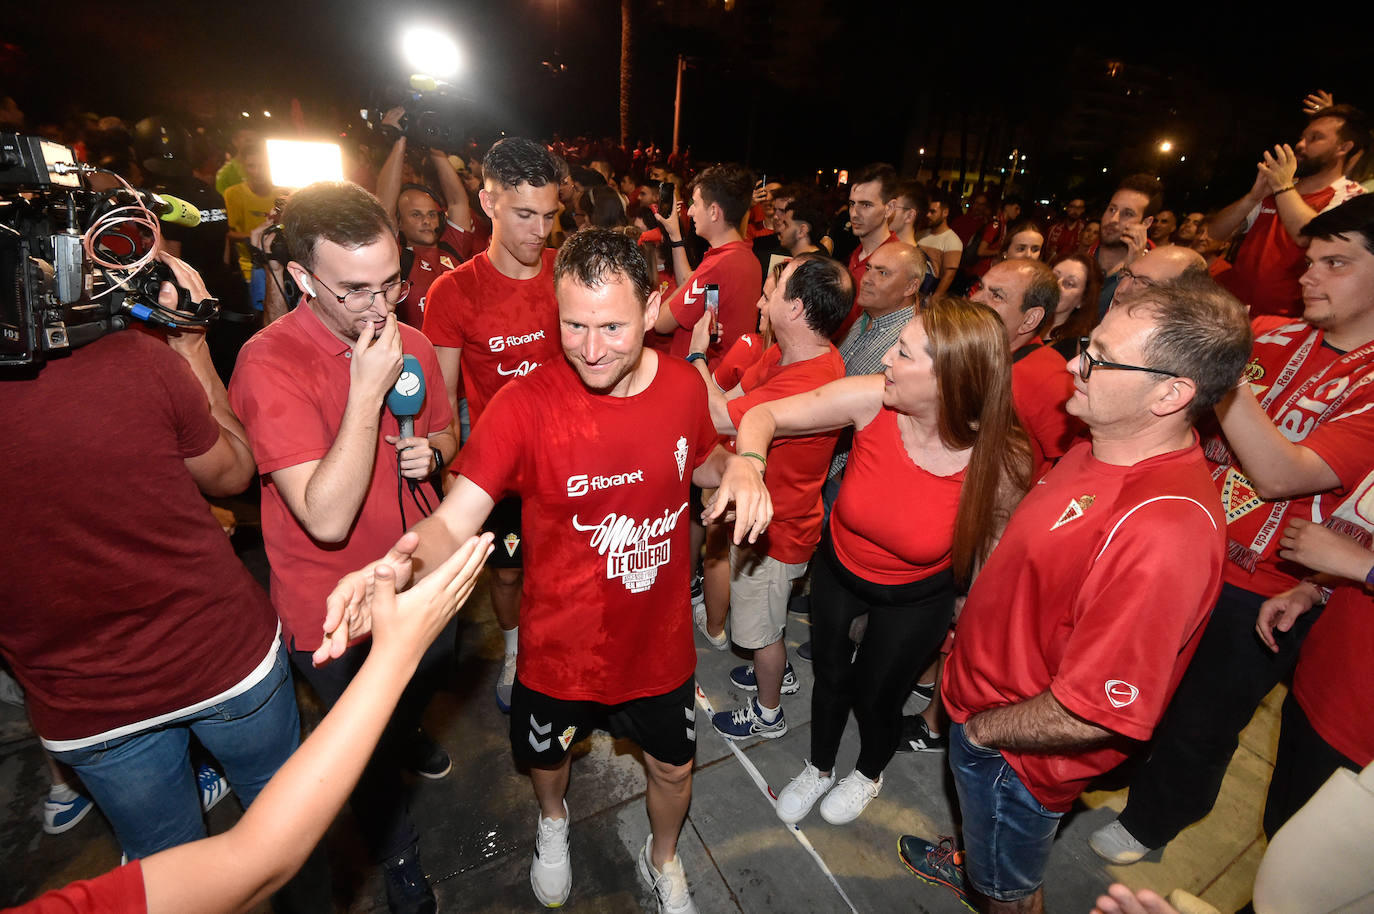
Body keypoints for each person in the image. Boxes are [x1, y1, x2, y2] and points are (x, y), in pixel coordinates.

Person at [324, 229, 772, 914]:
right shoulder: (524, 407)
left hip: (656, 645)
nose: (592, 350)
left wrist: (738, 463)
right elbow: (452, 520)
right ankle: (554, 825)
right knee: (548, 760)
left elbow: (701, 458)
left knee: (673, 765)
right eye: (574, 326)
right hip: (560, 647)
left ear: (653, 308)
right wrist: (394, 566)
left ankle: (664, 859)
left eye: (614, 327)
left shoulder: (682, 385)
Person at [901, 273, 1253, 914]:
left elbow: (1095, 710)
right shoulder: (1098, 442)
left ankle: (991, 879)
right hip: (986, 709)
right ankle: (975, 858)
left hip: (1017, 755)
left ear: (1171, 394)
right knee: (992, 850)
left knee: (1009, 890)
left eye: (1098, 357)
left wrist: (981, 733)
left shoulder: (1163, 532)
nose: (1073, 364)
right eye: (1086, 344)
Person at [0, 253, 317, 903]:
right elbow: (232, 472)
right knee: (288, 834)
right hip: (221, 659)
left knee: (164, 877)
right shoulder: (132, 360)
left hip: (86, 703)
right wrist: (192, 346)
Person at [1090, 196, 1374, 868]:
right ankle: (1123, 766)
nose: (1310, 276)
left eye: (1336, 263)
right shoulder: (1270, 332)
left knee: (1204, 715)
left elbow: (1280, 473)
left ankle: (1157, 816)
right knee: (1136, 677)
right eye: (1310, 260)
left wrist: (1216, 370)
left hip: (1264, 585)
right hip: (1176, 544)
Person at [6, 533, 493, 914]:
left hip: (85, 697)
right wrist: (395, 656)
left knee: (167, 846)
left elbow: (250, 862)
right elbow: (255, 864)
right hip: (201, 671)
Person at [228, 181, 457, 914]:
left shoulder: (413, 340)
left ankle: (406, 725)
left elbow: (448, 428)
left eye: (393, 281)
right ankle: (400, 859)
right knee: (364, 754)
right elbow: (324, 518)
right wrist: (366, 390)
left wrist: (438, 452)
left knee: (423, 685)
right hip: (335, 610)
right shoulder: (269, 364)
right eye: (355, 290)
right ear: (301, 277)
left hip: (422, 576)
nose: (381, 307)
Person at [733, 297, 1031, 827]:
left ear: (951, 381)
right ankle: (818, 765)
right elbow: (764, 413)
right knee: (829, 677)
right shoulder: (873, 400)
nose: (886, 361)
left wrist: (970, 620)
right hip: (841, 572)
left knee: (878, 696)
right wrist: (750, 467)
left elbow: (995, 552)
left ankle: (870, 772)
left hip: (918, 596)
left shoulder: (999, 456)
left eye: (904, 353)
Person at [422, 137, 566, 712]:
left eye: (550, 216)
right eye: (524, 214)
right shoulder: (453, 292)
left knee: (566, 575)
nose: (539, 230)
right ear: (488, 203)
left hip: (571, 464)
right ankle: (513, 650)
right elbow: (442, 401)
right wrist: (450, 470)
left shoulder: (568, 271)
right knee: (507, 578)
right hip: (502, 474)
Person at [685, 254, 851, 738]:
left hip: (775, 534)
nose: (762, 300)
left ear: (796, 308)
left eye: (773, 292)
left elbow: (719, 417)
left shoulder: (810, 376)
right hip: (774, 519)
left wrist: (697, 356)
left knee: (762, 632)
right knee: (768, 622)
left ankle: (768, 711)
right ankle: (776, 669)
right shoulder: (792, 353)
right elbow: (735, 403)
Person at [1210, 104, 1366, 318]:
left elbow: (1308, 237)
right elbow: (1215, 233)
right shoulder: (1277, 187)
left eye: (1315, 138)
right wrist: (1253, 197)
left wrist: (1283, 187)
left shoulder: (1351, 196)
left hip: (1287, 327)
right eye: (1302, 137)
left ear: (1343, 148)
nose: (1300, 145)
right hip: (1230, 314)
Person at [375, 107, 487, 326]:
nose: (426, 220)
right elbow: (383, 207)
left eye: (432, 214)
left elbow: (457, 201)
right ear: (399, 222)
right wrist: (400, 141)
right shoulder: (396, 258)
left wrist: (435, 146)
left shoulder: (453, 247)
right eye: (416, 215)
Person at [970, 258, 1076, 477]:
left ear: (1030, 319)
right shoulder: (970, 351)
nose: (976, 299)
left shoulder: (1046, 377)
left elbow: (1073, 462)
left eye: (996, 295)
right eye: (981, 287)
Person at [652, 163, 764, 364]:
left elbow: (660, 322)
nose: (689, 212)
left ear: (714, 211)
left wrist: (691, 282)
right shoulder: (746, 256)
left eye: (695, 203)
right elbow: (691, 281)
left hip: (699, 381)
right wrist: (675, 234)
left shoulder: (719, 265)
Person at [1091, 175, 1160, 316]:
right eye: (1111, 209)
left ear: (1146, 223)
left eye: (1127, 214)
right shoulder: (1082, 256)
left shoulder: (1155, 279)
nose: (1113, 219)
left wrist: (1134, 270)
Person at [1043, 252, 1103, 357]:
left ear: (1083, 300)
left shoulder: (1075, 350)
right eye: (1053, 277)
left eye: (1069, 283)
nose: (1056, 285)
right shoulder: (1021, 321)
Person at [918, 190, 963, 299]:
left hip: (928, 295)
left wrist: (935, 298)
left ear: (945, 213)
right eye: (927, 211)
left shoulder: (952, 240)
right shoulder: (920, 234)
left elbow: (949, 275)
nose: (928, 215)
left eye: (933, 212)